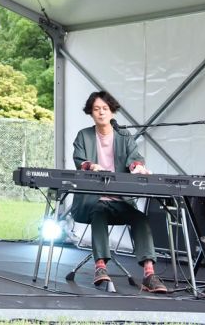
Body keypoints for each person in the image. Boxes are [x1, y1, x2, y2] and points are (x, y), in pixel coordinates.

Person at [71, 90, 167, 293]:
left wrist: (137, 167)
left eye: (105, 108)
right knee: (99, 212)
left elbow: (135, 159)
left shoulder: (124, 136)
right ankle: (100, 267)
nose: (101, 112)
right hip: (92, 201)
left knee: (140, 218)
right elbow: (80, 161)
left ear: (112, 111)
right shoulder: (83, 135)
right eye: (96, 109)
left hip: (121, 201)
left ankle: (149, 274)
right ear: (90, 113)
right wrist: (91, 166)